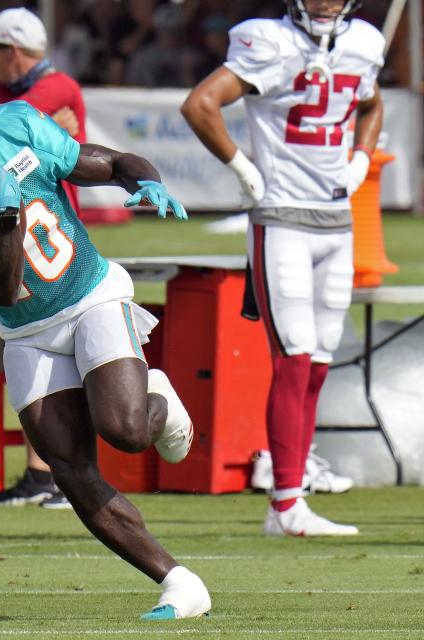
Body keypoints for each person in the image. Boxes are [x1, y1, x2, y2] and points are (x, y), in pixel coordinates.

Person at [0, 66, 211, 620]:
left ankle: (160, 400)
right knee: (68, 467)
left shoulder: (12, 126)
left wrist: (143, 178)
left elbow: (102, 161)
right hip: (25, 329)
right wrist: (4, 222)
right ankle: (178, 581)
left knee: (123, 430)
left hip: (90, 292)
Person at [181, 0, 383, 536]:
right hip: (283, 220)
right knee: (292, 357)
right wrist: (243, 168)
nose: (324, 3)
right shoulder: (268, 40)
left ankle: (291, 495)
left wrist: (361, 159)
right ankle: (286, 504)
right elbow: (201, 104)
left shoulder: (362, 43)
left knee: (318, 361)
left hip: (337, 223)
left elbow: (370, 103)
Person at [0, 6, 87, 509]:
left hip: (47, 251)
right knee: (26, 360)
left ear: (12, 52)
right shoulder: (13, 98)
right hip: (15, 243)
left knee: (53, 359)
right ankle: (44, 472)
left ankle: (57, 472)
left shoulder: (56, 89)